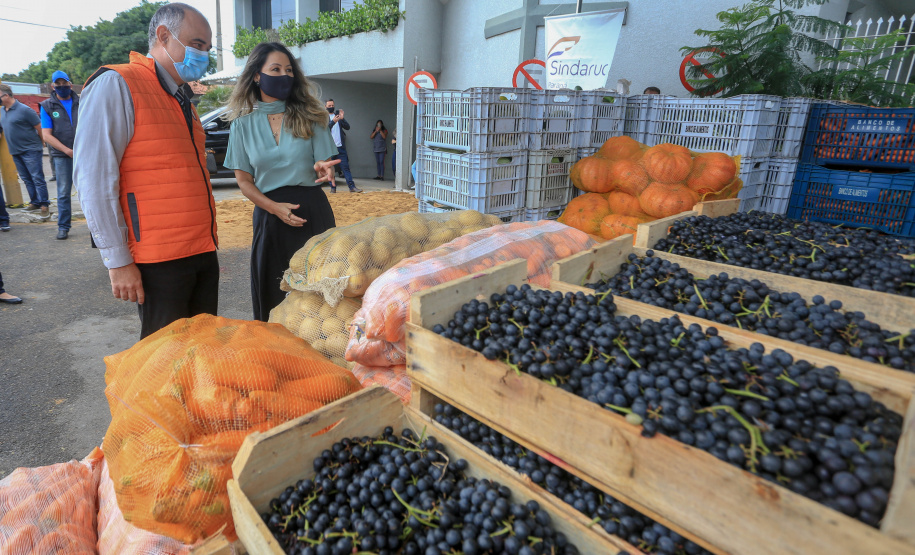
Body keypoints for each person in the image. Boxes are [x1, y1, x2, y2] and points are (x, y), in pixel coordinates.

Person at [73, 3, 218, 339]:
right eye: (197, 45)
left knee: (203, 353)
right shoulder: (117, 83)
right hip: (157, 259)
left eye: (208, 49)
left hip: (201, 250)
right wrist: (118, 260)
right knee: (163, 360)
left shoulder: (183, 100)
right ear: (164, 36)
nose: (204, 55)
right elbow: (94, 179)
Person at [224, 42, 341, 322]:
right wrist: (275, 208)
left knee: (320, 294)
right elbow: (244, 182)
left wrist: (324, 169)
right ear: (256, 75)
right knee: (274, 293)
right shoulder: (241, 126)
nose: (284, 76)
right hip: (270, 216)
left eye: (289, 70)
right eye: (275, 69)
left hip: (312, 214)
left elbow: (324, 166)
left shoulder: (312, 117)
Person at [40, 70, 80, 240]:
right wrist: (67, 150)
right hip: (63, 155)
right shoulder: (48, 106)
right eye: (58, 84)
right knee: (63, 192)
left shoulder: (82, 101)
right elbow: (46, 135)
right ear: (53, 86)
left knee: (88, 191)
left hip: (84, 154)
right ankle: (63, 226)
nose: (62, 87)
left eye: (65, 84)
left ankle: (96, 227)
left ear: (70, 84)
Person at [0, 85, 50, 218]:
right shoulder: (2, 111)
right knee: (27, 178)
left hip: (31, 149)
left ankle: (44, 204)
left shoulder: (24, 110)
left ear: (6, 96)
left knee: (37, 177)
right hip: (15, 151)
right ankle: (35, 202)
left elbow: (39, 126)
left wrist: (43, 141)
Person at [324, 98, 362, 193]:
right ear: (325, 107)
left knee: (345, 167)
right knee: (330, 169)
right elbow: (324, 130)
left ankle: (352, 187)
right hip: (330, 148)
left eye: (332, 105)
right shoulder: (323, 117)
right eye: (329, 106)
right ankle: (333, 188)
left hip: (340, 147)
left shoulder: (338, 117)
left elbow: (347, 127)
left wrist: (342, 118)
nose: (331, 107)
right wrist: (333, 122)